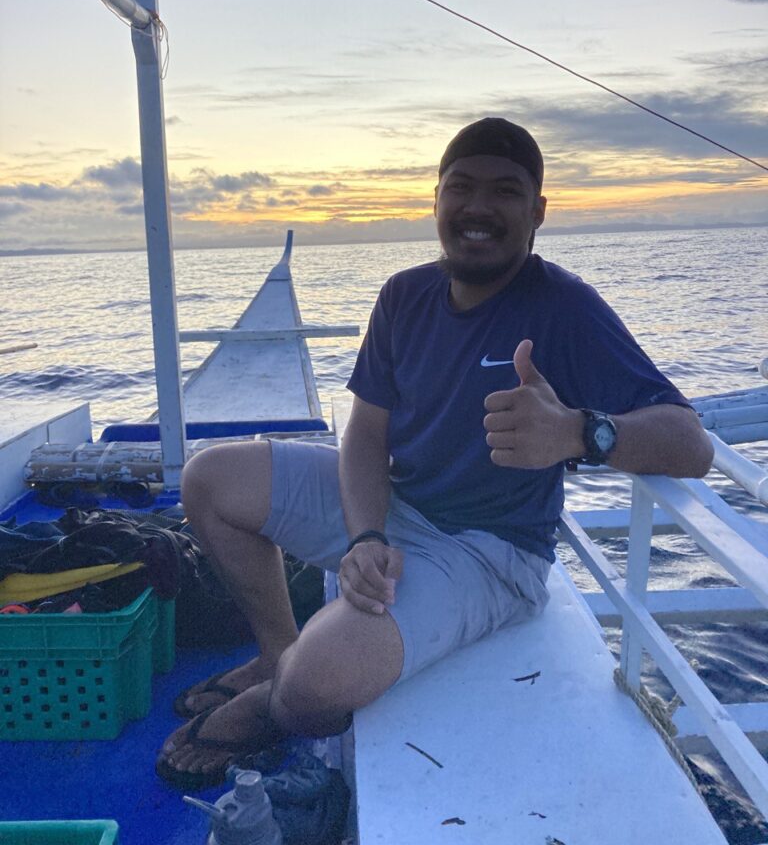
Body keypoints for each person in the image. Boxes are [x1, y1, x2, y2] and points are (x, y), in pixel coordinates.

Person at [157, 117, 713, 789]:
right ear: (436, 200)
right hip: (397, 502)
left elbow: (691, 444)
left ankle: (271, 703)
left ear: (537, 212)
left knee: (317, 684)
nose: (478, 207)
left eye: (505, 191)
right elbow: (364, 434)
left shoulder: (565, 307)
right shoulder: (404, 295)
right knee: (211, 478)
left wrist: (579, 433)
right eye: (461, 187)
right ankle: (274, 651)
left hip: (488, 551)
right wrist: (364, 533)